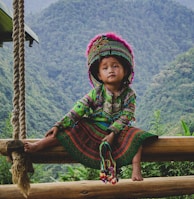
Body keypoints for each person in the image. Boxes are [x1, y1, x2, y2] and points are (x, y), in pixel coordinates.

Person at [24, 32, 157, 181]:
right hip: (95, 126)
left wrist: (113, 133)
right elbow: (80, 108)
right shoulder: (96, 92)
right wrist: (60, 124)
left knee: (137, 137)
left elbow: (126, 116)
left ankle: (136, 169)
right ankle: (38, 146)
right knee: (69, 130)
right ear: (99, 75)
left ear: (125, 70)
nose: (111, 70)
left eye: (115, 66)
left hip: (119, 131)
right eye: (105, 68)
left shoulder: (129, 94)